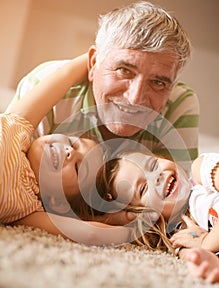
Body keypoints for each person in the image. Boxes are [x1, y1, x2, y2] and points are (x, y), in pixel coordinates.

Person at [7, 1, 199, 174]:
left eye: (158, 83)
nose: (135, 98)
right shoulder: (47, 85)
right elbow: (8, 170)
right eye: (124, 70)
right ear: (93, 61)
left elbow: (171, 202)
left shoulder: (179, 103)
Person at [0, 55, 132, 247]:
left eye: (79, 167)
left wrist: (115, 221)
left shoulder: (26, 209)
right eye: (73, 142)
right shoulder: (19, 126)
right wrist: (103, 53)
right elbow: (65, 75)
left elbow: (91, 234)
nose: (70, 151)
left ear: (59, 203)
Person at [87, 150, 219, 283]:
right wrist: (208, 266)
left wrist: (207, 242)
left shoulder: (202, 170)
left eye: (153, 165)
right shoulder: (181, 238)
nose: (156, 176)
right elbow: (195, 257)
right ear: (143, 215)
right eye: (143, 188)